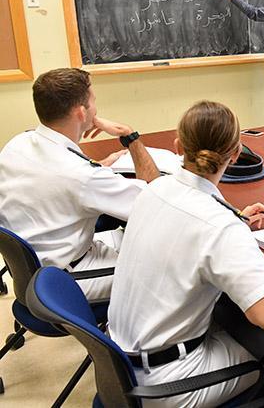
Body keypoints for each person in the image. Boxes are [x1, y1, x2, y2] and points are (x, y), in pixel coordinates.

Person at [108, 100, 264, 407]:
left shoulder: (153, 189)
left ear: (178, 146)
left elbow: (183, 229)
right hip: (169, 382)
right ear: (235, 154)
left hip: (121, 361)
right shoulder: (220, 227)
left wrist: (235, 221)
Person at [0, 68, 158, 300]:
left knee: (128, 237)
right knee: (166, 269)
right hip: (67, 279)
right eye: (93, 101)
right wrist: (130, 136)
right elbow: (157, 199)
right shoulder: (82, 177)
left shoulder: (18, 143)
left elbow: (53, 180)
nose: (96, 107)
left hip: (38, 261)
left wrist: (99, 167)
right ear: (81, 113)